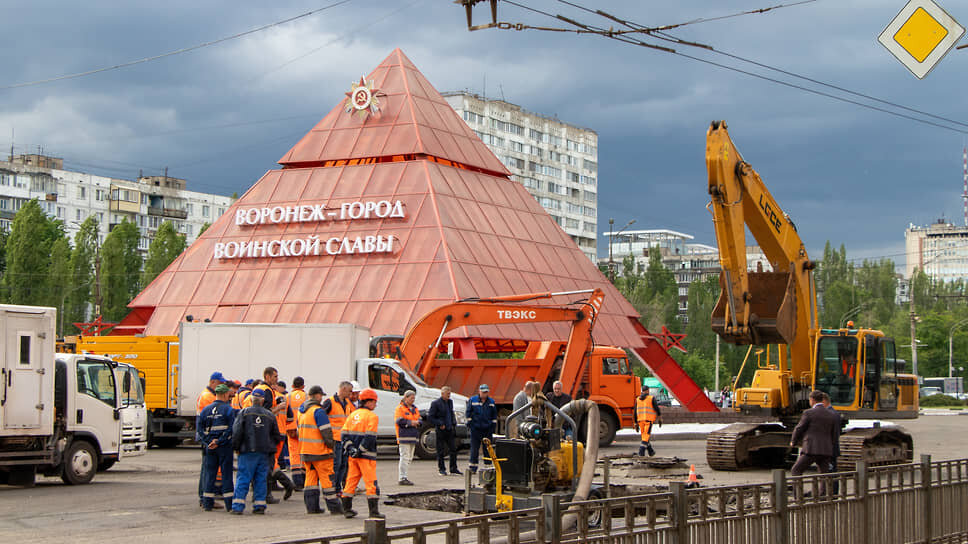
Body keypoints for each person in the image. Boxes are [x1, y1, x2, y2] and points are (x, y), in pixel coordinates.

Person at [231, 394, 284, 514]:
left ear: (251, 401)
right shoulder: (270, 415)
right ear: (262, 401)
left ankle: (238, 507)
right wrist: (270, 447)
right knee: (261, 479)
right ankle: (259, 506)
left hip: (247, 451)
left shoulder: (244, 413)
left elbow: (237, 431)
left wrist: (236, 447)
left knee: (243, 478)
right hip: (264, 452)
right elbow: (276, 435)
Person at [251, 367, 295, 503]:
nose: (277, 379)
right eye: (275, 376)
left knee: (266, 463)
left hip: (261, 432)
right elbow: (266, 412)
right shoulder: (268, 392)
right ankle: (270, 491)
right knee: (268, 463)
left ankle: (265, 491)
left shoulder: (260, 391)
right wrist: (280, 408)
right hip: (270, 432)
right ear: (267, 376)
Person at [298, 385, 342, 515]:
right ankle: (335, 508)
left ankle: (312, 507)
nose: (321, 398)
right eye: (320, 395)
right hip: (321, 453)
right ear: (316, 395)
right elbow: (326, 432)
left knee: (310, 481)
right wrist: (331, 446)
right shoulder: (318, 411)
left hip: (306, 452)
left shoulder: (301, 411)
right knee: (328, 480)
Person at [341, 389, 382, 519]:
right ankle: (374, 512)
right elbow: (370, 437)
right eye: (375, 402)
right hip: (366, 456)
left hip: (352, 457)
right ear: (369, 402)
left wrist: (351, 449)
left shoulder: (352, 415)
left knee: (350, 482)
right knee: (371, 483)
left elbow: (344, 434)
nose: (375, 405)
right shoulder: (372, 417)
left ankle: (347, 510)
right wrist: (361, 450)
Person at [790, 390, 841, 495]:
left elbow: (799, 428)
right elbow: (834, 434)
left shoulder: (808, 413)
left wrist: (793, 442)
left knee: (796, 470)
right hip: (826, 450)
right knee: (824, 474)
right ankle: (823, 496)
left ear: (812, 400)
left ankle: (798, 496)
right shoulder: (831, 414)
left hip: (811, 449)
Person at [196, 384, 235, 511]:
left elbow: (200, 429)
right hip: (224, 447)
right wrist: (219, 441)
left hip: (210, 447)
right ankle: (229, 505)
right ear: (224, 394)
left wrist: (209, 442)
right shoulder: (228, 409)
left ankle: (207, 503)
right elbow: (231, 429)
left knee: (210, 474)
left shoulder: (206, 410)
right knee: (226, 474)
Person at [196, 371, 226, 507]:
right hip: (209, 438)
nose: (220, 387)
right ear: (212, 382)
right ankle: (205, 498)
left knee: (207, 468)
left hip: (207, 437)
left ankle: (205, 497)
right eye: (219, 383)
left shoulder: (207, 395)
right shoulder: (208, 397)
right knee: (208, 469)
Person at [322, 381, 354, 494]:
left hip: (344, 439)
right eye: (350, 391)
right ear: (343, 389)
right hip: (335, 439)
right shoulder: (329, 402)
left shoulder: (347, 403)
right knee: (336, 465)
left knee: (343, 465)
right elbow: (321, 418)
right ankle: (333, 488)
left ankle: (338, 488)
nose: (351, 393)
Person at [427, 386, 460, 476]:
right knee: (440, 450)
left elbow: (451, 413)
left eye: (450, 393)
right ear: (442, 394)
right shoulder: (436, 403)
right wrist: (439, 423)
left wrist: (454, 423)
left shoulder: (450, 402)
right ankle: (441, 469)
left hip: (450, 429)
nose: (449, 395)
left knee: (453, 449)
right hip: (441, 430)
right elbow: (430, 417)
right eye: (447, 394)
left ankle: (453, 468)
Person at [466, 383, 497, 474]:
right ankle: (473, 467)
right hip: (475, 429)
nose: (484, 394)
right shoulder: (473, 400)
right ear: (479, 391)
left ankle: (488, 467)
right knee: (474, 449)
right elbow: (468, 413)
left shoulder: (491, 402)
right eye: (483, 392)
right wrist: (471, 425)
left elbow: (494, 416)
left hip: (487, 430)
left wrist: (492, 428)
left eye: (486, 392)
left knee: (487, 449)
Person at [286, 377, 308, 490]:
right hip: (303, 429)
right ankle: (304, 479)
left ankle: (297, 482)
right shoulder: (307, 397)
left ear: (292, 386)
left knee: (294, 455)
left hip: (291, 429)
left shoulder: (287, 397)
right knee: (303, 453)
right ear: (303, 386)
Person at [395, 390, 420, 486]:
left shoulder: (415, 408)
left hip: (413, 436)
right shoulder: (400, 408)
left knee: (409, 458)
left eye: (414, 398)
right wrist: (411, 423)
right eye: (411, 398)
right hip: (404, 436)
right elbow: (399, 420)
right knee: (404, 457)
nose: (413, 400)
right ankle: (402, 477)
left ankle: (404, 475)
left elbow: (420, 419)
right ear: (406, 397)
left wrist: (417, 422)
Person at [820, 392, 843, 494]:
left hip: (830, 449)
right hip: (831, 448)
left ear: (824, 401)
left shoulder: (832, 414)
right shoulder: (834, 413)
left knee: (831, 471)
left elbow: (833, 434)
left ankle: (831, 493)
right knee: (831, 471)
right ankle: (830, 492)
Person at [635, 385, 662, 456]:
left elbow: (635, 412)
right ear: (647, 390)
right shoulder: (651, 398)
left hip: (640, 421)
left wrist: (636, 423)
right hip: (648, 420)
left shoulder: (638, 399)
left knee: (645, 436)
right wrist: (659, 418)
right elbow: (657, 409)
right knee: (646, 436)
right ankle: (641, 452)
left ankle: (651, 451)